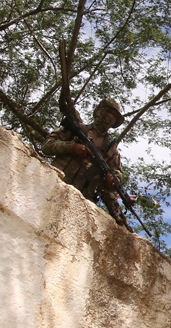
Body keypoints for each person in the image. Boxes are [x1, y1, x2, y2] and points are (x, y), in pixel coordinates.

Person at [42, 98, 131, 230]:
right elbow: (46, 146)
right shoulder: (77, 129)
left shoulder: (112, 151)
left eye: (113, 117)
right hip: (52, 184)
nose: (108, 118)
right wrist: (72, 147)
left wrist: (112, 181)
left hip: (78, 203)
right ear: (99, 112)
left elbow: (115, 178)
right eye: (107, 113)